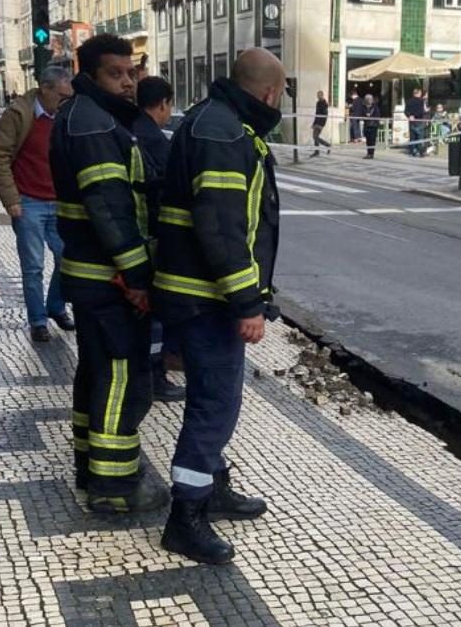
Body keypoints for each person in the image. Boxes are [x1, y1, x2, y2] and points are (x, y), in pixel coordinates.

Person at [152, 48, 283, 564]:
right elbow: (223, 228)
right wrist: (247, 302)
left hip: (192, 293)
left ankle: (215, 485)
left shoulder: (211, 121)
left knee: (213, 402)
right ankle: (186, 517)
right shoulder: (225, 134)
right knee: (214, 407)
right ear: (270, 93)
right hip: (208, 299)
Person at [49, 34, 166, 514]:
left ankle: (89, 462)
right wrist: (138, 278)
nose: (127, 82)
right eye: (116, 74)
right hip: (108, 278)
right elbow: (113, 210)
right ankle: (115, 485)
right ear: (91, 73)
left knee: (95, 371)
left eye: (131, 72)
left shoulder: (83, 117)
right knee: (123, 375)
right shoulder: (95, 126)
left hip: (91, 274)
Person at [0, 66, 75, 342]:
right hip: (28, 201)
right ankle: (38, 320)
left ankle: (56, 306)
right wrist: (11, 200)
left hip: (59, 202)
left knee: (67, 258)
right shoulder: (19, 114)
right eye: (61, 96)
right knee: (33, 265)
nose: (65, 101)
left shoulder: (64, 117)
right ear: (45, 89)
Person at [133, 75, 185, 403]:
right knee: (154, 315)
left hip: (134, 236)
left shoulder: (128, 128)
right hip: (150, 237)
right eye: (170, 105)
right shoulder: (153, 139)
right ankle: (154, 375)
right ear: (163, 104)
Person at [405, 88, 426, 157]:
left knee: (412, 137)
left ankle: (412, 151)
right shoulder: (421, 101)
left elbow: (405, 111)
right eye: (420, 93)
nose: (421, 94)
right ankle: (420, 152)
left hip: (411, 121)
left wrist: (410, 116)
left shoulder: (409, 101)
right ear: (418, 93)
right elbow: (421, 112)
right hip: (419, 120)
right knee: (420, 137)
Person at [310, 90, 330, 157]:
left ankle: (318, 150)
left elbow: (325, 115)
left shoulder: (324, 103)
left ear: (322, 95)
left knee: (315, 136)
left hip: (321, 123)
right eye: (317, 95)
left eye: (319, 95)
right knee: (315, 137)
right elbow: (316, 114)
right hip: (317, 122)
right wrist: (314, 123)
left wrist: (322, 125)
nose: (318, 96)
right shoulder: (318, 103)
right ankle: (325, 146)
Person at [361, 94, 380, 159]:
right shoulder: (363, 107)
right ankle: (368, 153)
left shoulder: (375, 107)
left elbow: (377, 116)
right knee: (368, 140)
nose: (369, 100)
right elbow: (361, 115)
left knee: (372, 140)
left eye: (370, 99)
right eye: (368, 99)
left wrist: (370, 116)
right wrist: (365, 116)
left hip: (373, 126)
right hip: (366, 125)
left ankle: (371, 154)